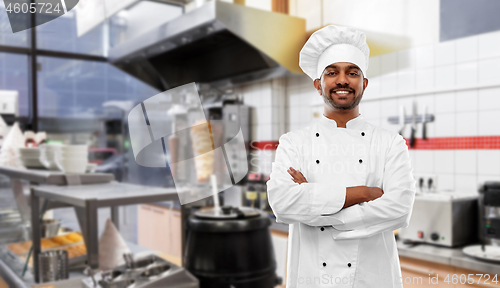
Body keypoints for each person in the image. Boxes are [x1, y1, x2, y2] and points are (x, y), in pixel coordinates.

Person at [267, 25, 416, 288]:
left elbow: (400, 209)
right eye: (332, 72)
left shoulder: (390, 143)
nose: (343, 80)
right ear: (318, 84)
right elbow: (282, 203)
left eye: (353, 72)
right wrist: (364, 193)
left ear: (364, 83)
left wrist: (316, 203)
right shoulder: (294, 143)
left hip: (371, 279)